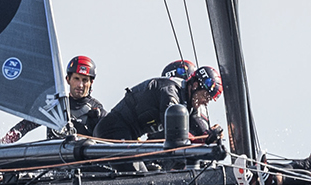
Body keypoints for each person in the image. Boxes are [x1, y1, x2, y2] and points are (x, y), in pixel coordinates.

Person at [94, 60, 223, 142]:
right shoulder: (170, 91)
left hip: (128, 135)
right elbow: (175, 132)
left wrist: (211, 135)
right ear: (195, 85)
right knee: (139, 174)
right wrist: (201, 140)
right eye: (206, 96)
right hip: (111, 130)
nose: (206, 102)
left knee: (145, 172)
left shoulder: (190, 103)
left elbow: (199, 130)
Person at [0, 55, 106, 142]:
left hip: (84, 164)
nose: (80, 85)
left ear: (91, 82)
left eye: (84, 80)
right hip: (54, 162)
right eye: (76, 79)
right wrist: (3, 143)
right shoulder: (54, 103)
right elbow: (25, 125)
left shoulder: (97, 110)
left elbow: (111, 136)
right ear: (68, 80)